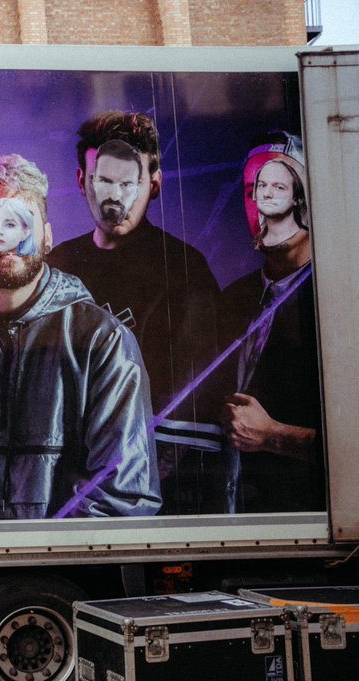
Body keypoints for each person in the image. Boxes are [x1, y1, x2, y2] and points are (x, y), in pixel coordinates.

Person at [0, 154, 160, 520]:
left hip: (70, 573)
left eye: (22, 220)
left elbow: (121, 494)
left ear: (47, 237)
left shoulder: (104, 343)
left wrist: (34, 562)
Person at [48, 111, 222, 514]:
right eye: (103, 180)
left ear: (154, 184)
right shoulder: (56, 266)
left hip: (147, 498)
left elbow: (192, 413)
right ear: (82, 182)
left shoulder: (184, 270)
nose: (116, 197)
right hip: (64, 488)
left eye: (130, 183)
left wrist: (129, 497)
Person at [219, 132, 323, 513]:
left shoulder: (338, 296)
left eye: (278, 186)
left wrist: (275, 437)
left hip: (311, 516)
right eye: (254, 188)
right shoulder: (233, 298)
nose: (262, 201)